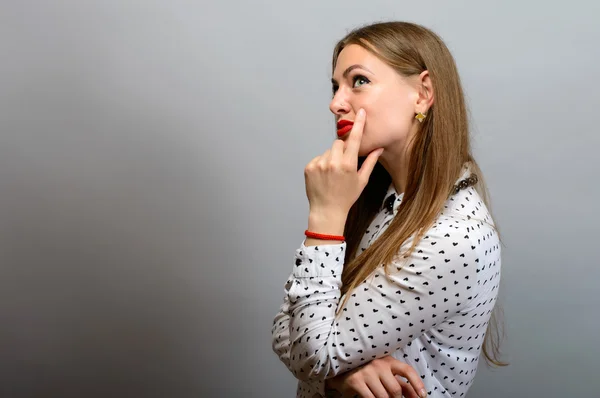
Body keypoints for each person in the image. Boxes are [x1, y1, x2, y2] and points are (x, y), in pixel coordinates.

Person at [271, 21, 506, 398]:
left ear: (422, 93)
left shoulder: (453, 234)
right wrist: (339, 374)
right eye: (336, 87)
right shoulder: (379, 198)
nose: (336, 103)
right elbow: (288, 327)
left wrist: (324, 219)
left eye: (358, 81)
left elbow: (309, 354)